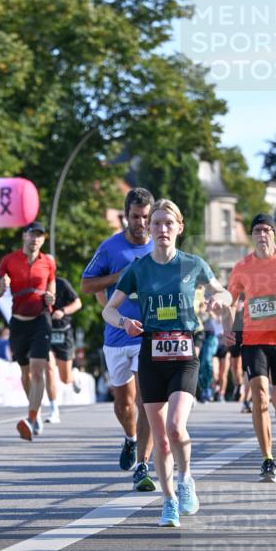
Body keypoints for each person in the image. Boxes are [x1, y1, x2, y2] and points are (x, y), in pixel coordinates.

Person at [103, 199, 232, 526]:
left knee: (176, 426)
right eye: (156, 223)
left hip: (185, 352)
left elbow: (226, 293)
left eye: (168, 223)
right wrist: (123, 323)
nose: (161, 229)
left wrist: (220, 297)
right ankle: (169, 500)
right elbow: (108, 309)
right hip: (151, 353)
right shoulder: (138, 268)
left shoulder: (193, 265)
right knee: (160, 437)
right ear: (149, 228)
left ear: (179, 227)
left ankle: (186, 479)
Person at [224, 213, 276, 484]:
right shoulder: (242, 267)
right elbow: (231, 300)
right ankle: (268, 459)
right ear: (252, 235)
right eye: (256, 231)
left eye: (266, 230)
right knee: (260, 396)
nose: (261, 235)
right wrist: (228, 326)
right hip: (253, 339)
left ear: (274, 233)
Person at [81, 188, 155, 492]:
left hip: (146, 335)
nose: (141, 223)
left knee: (145, 401)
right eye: (136, 217)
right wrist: (119, 277)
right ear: (126, 216)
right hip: (116, 336)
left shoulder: (160, 248)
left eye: (146, 217)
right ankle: (129, 438)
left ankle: (143, 465)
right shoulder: (110, 248)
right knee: (124, 405)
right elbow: (87, 284)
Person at [0, 221, 56, 441]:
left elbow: (52, 290)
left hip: (41, 319)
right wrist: (3, 284)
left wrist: (51, 298)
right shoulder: (9, 261)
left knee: (38, 369)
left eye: (39, 236)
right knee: (25, 372)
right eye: (32, 235)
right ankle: (36, 409)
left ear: (43, 239)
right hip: (19, 322)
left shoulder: (48, 262)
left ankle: (30, 419)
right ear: (24, 236)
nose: (35, 239)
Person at [44, 275, 83, 423]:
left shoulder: (61, 283)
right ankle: (54, 410)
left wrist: (63, 311)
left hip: (63, 332)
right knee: (49, 369)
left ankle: (74, 375)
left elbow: (78, 303)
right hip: (45, 333)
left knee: (64, 378)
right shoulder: (37, 285)